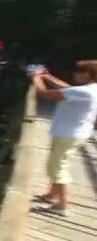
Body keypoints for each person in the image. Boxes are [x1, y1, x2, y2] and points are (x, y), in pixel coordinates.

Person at [32, 63, 97, 216]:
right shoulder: (91, 90)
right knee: (59, 164)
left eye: (78, 71)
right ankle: (51, 195)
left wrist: (35, 77)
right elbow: (67, 89)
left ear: (87, 74)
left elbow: (44, 93)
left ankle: (62, 206)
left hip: (67, 135)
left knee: (57, 168)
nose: (74, 74)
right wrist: (47, 76)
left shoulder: (84, 92)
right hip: (77, 134)